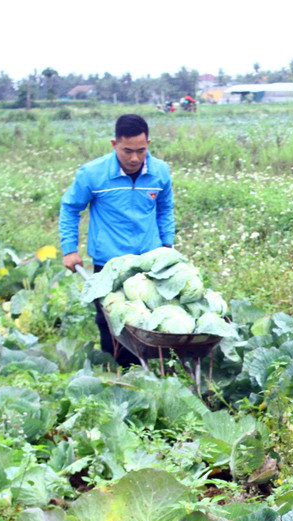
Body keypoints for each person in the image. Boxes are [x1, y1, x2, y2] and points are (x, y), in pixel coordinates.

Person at [59, 113, 175, 365]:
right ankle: (116, 369)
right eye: (127, 151)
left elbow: (165, 208)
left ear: (148, 144)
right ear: (114, 145)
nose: (134, 158)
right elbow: (70, 207)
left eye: (141, 150)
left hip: (148, 261)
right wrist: (69, 249)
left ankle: (153, 367)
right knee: (110, 318)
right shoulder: (92, 174)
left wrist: (167, 245)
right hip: (109, 261)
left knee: (150, 317)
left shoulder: (160, 172)